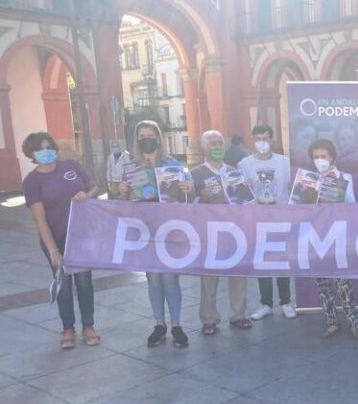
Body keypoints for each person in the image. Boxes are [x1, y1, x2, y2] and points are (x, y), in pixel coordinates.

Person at [22, 132, 101, 349]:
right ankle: (68, 328)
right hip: (55, 239)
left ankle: (88, 326)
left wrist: (87, 195)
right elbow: (40, 219)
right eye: (40, 149)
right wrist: (53, 250)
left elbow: (94, 187)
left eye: (49, 147)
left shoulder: (71, 166)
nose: (46, 152)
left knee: (84, 282)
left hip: (82, 235)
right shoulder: (32, 181)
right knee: (63, 285)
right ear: (31, 154)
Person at [116, 120, 188, 348]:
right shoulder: (131, 167)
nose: (146, 139)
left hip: (170, 228)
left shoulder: (172, 164)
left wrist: (187, 189)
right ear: (136, 140)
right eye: (141, 136)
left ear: (158, 137)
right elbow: (125, 203)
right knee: (153, 279)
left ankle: (176, 325)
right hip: (145, 229)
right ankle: (159, 324)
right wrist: (123, 192)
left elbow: (186, 199)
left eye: (150, 135)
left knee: (170, 278)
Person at [190, 130, 252, 334]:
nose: (217, 147)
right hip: (209, 233)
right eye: (212, 144)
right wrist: (202, 198)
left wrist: (247, 190)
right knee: (208, 277)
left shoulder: (233, 171)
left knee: (238, 273)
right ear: (204, 149)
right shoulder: (195, 174)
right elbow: (189, 206)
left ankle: (238, 314)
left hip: (234, 231)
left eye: (219, 143)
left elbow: (243, 202)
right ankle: (209, 319)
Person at [239, 124, 297, 320]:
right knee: (261, 261)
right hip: (257, 219)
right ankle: (265, 304)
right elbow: (239, 193)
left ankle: (286, 302)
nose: (261, 142)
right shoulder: (244, 164)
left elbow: (294, 188)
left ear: (271, 139)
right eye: (257, 139)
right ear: (252, 140)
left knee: (282, 260)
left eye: (265, 138)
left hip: (281, 217)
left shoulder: (285, 162)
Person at [309, 139, 358, 339]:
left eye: (323, 156)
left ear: (331, 157)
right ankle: (332, 322)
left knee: (343, 283)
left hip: (339, 235)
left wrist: (335, 183)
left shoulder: (345, 177)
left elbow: (352, 204)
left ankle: (353, 322)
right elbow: (299, 207)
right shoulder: (309, 179)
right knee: (322, 284)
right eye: (316, 157)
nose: (319, 160)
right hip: (316, 236)